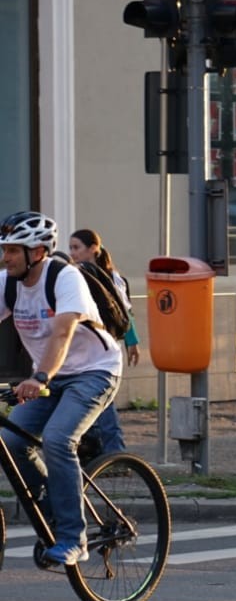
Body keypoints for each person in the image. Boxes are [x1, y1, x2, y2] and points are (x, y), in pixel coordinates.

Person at [0, 211, 123, 567]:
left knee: (57, 438)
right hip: (51, 378)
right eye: (4, 249)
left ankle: (73, 538)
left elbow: (63, 331)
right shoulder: (9, 282)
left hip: (93, 371)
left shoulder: (64, 277)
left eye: (12, 250)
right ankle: (51, 502)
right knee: (11, 440)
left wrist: (39, 378)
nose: (5, 257)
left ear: (37, 252)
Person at [68, 229, 139, 455]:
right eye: (70, 248)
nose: (72, 253)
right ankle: (96, 451)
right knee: (88, 402)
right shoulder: (73, 274)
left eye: (76, 247)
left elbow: (123, 313)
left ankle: (114, 451)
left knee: (102, 403)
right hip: (83, 348)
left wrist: (132, 342)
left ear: (93, 249)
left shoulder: (111, 277)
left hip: (104, 346)